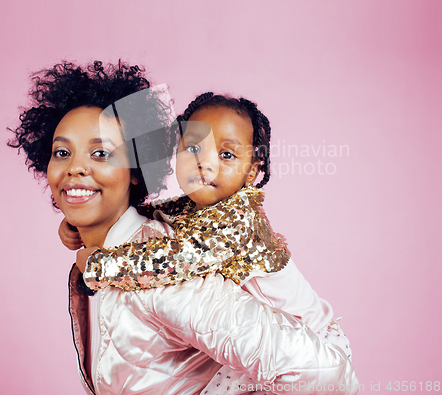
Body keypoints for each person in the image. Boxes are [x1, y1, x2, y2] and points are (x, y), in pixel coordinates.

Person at [9, 61, 359, 395]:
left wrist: (101, 265)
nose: (76, 169)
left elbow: (328, 376)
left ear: (136, 169)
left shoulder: (169, 274)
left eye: (100, 154)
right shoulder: (174, 220)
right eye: (61, 153)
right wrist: (73, 224)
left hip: (320, 334)